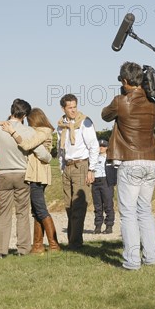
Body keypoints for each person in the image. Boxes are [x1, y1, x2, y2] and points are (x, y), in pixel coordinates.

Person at [102, 61, 155, 270]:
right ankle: (152, 257)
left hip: (131, 160)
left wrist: (122, 95)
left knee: (128, 213)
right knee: (145, 210)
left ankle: (132, 261)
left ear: (125, 81)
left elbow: (105, 115)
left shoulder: (121, 101)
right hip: (152, 160)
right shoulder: (153, 103)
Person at [0, 99, 51, 257]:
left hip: (3, 173)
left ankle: (2, 251)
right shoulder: (29, 131)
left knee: (4, 213)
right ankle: (23, 249)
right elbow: (40, 152)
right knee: (22, 213)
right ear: (24, 114)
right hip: (21, 173)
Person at [2, 108, 60, 253]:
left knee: (40, 209)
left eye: (28, 121)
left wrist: (13, 132)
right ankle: (38, 245)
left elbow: (28, 145)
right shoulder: (42, 131)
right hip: (37, 172)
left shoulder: (42, 132)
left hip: (37, 173)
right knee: (36, 210)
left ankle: (54, 245)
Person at [57, 94, 100, 250]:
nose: (73, 110)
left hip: (81, 165)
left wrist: (91, 169)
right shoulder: (61, 125)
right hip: (67, 166)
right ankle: (72, 240)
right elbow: (60, 148)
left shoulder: (84, 122)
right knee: (68, 205)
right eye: (70, 107)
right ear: (63, 108)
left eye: (75, 106)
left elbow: (94, 146)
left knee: (78, 205)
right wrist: (62, 168)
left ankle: (75, 243)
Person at [91, 139, 116, 234]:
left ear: (107, 148)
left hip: (106, 181)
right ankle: (98, 226)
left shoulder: (110, 158)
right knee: (97, 205)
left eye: (103, 146)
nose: (101, 148)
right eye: (99, 146)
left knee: (108, 205)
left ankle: (109, 226)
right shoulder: (93, 158)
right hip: (95, 182)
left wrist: (113, 182)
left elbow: (115, 170)